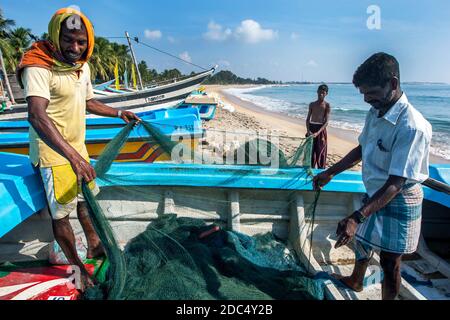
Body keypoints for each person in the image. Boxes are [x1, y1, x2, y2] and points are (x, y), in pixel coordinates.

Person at [16, 8, 141, 292]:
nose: (75, 48)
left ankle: (95, 247)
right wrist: (71, 157)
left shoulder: (80, 66)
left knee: (86, 202)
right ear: (56, 36)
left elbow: (88, 102)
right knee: (61, 215)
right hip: (53, 155)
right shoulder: (38, 65)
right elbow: (36, 116)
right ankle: (76, 269)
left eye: (81, 42)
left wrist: (119, 111)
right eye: (69, 40)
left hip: (78, 150)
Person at [313, 52, 432, 300]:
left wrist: (357, 216)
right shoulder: (376, 111)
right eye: (364, 94)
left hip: (399, 197)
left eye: (372, 93)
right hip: (376, 191)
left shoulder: (411, 126)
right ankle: (357, 280)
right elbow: (361, 149)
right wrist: (330, 173)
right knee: (363, 243)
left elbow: (396, 183)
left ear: (394, 84)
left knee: (390, 262)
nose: (367, 99)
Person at [306, 84, 330, 168]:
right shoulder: (312, 104)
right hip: (312, 128)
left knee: (321, 152)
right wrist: (308, 131)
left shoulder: (327, 105)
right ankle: (310, 168)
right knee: (310, 152)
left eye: (323, 93)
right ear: (317, 92)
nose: (321, 94)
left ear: (326, 93)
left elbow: (326, 122)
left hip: (321, 130)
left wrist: (318, 132)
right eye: (320, 92)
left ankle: (320, 170)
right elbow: (308, 119)